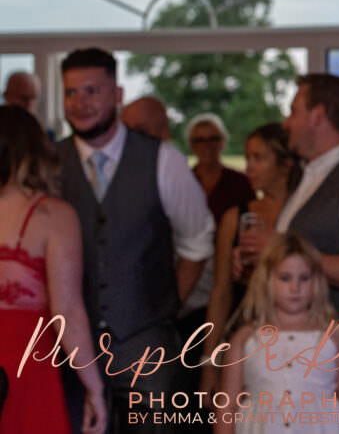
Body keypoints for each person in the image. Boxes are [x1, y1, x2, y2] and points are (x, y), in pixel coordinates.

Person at [55, 47, 214, 434]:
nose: (81, 103)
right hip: (70, 352)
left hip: (149, 350)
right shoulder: (49, 163)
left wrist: (163, 309)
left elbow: (197, 243)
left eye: (92, 90)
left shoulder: (163, 161)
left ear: (118, 94)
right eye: (71, 93)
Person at [237, 74, 339, 432]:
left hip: (336, 362)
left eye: (294, 111)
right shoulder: (310, 177)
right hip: (292, 355)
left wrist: (280, 249)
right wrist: (265, 262)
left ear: (318, 115)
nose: (286, 122)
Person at [0, 105, 107, 434]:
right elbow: (67, 313)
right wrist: (94, 387)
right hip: (26, 362)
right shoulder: (52, 216)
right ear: (35, 150)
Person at [215, 233, 339, 434]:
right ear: (267, 279)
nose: (295, 288)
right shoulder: (246, 338)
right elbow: (227, 405)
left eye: (304, 278)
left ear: (317, 280)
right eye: (285, 278)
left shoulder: (334, 337)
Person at [203, 123, 300, 391]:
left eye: (259, 158)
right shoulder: (237, 217)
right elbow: (221, 292)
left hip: (298, 339)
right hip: (245, 337)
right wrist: (209, 361)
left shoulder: (304, 215)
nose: (249, 168)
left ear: (286, 163)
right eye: (247, 159)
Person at [187, 113, 256, 225]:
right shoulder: (182, 181)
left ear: (223, 141)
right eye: (199, 140)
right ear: (191, 145)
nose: (206, 145)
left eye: (213, 139)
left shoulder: (240, 182)